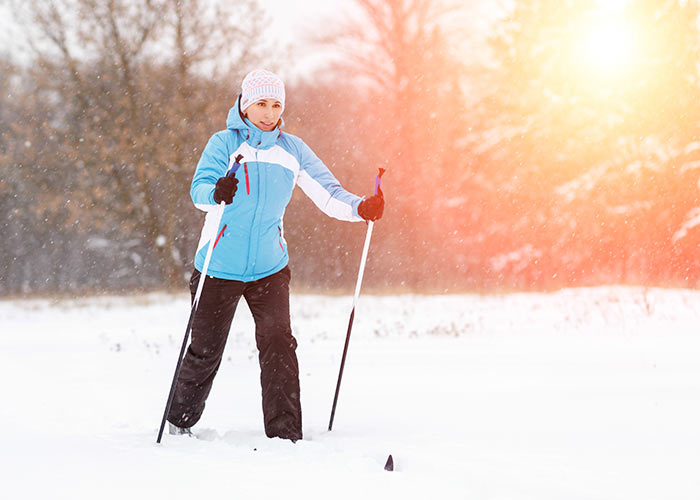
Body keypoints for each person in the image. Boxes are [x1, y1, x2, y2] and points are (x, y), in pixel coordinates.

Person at [167, 69, 385, 441]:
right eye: (261, 104)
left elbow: (328, 192)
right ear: (245, 104)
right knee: (205, 350)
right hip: (219, 266)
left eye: (276, 105)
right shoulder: (223, 144)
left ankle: (285, 433)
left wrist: (361, 207)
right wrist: (216, 192)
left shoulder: (292, 150)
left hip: (269, 267)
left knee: (279, 344)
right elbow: (199, 190)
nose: (269, 112)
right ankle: (180, 420)